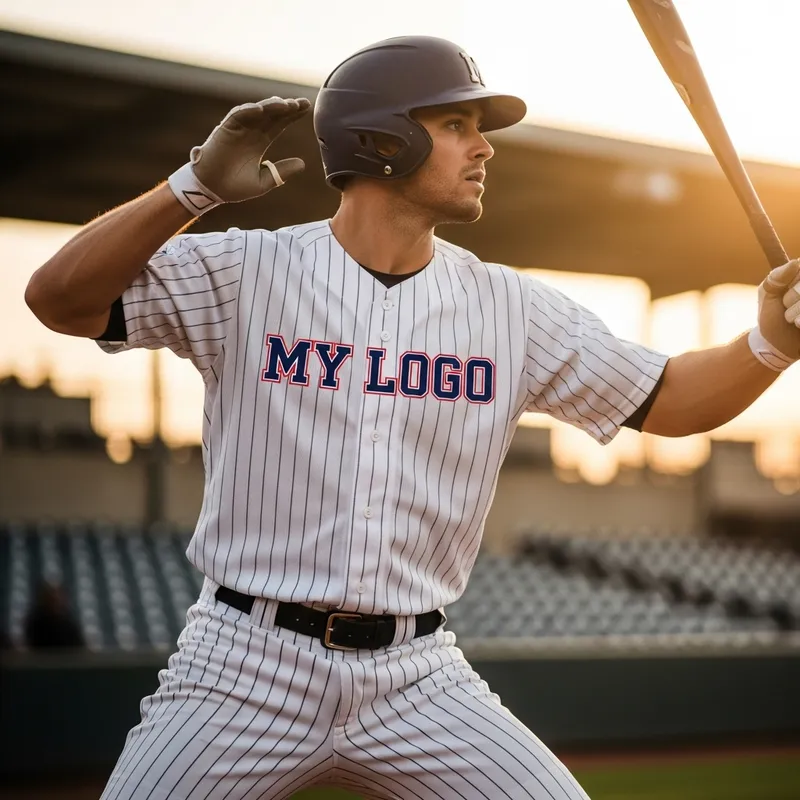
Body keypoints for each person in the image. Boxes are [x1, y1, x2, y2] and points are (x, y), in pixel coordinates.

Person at [24, 35, 800, 800]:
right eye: (456, 124)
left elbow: (672, 399)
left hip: (416, 674)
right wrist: (192, 188)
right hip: (241, 665)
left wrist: (771, 341)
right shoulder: (247, 271)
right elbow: (57, 300)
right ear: (381, 138)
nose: (484, 148)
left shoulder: (511, 308)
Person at [24, 581, 85, 650]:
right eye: (53, 599)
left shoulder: (69, 623)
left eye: (59, 597)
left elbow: (79, 646)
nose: (57, 601)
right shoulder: (35, 622)